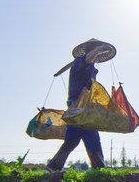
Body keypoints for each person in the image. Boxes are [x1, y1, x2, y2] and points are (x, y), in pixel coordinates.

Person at [46, 38, 116, 172]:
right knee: (92, 135)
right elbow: (87, 59)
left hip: (83, 105)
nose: (97, 56)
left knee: (73, 139)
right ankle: (99, 169)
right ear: (90, 51)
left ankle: (54, 166)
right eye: (95, 52)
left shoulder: (90, 67)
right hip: (79, 105)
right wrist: (99, 49)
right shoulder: (79, 62)